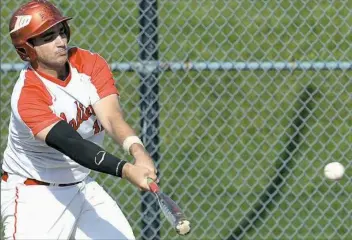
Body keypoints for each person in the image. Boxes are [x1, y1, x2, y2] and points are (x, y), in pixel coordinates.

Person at [1, 1, 158, 239]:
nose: (60, 41)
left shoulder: (89, 63)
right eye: (47, 37)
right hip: (34, 196)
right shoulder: (28, 95)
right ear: (27, 49)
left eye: (61, 31)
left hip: (82, 186)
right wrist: (127, 170)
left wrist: (138, 151)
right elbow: (74, 145)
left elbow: (112, 118)